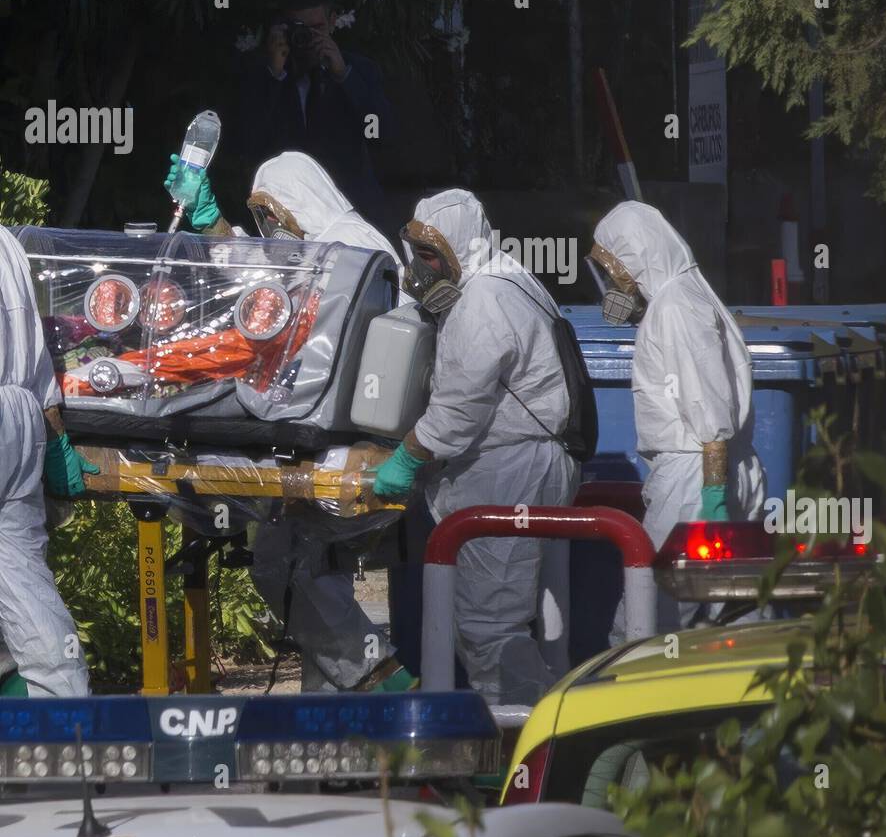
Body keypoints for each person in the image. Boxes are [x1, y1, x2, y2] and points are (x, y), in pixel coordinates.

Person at [162, 149, 413, 692]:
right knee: (315, 574)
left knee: (284, 567)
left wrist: (212, 225)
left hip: (354, 447)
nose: (269, 228)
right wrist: (214, 226)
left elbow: (281, 297)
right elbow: (269, 280)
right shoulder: (333, 244)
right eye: (261, 217)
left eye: (272, 214)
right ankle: (333, 738)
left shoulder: (355, 248)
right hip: (339, 438)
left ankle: (383, 677)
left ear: (299, 201)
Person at [371, 190, 580, 705]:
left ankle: (514, 741)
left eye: (430, 255)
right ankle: (545, 727)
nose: (421, 269)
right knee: (532, 618)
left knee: (489, 624)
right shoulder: (509, 275)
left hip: (510, 473)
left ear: (458, 247)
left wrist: (407, 456)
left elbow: (457, 408)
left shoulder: (482, 301)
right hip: (533, 464)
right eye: (416, 252)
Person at [588, 202, 767, 636]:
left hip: (695, 477)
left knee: (646, 622)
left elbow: (705, 402)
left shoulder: (674, 305)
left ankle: (624, 701)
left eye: (613, 270)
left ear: (633, 259)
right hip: (715, 471)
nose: (612, 283)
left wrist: (711, 494)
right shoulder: (687, 295)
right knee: (733, 616)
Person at [0, 226, 93, 697]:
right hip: (20, 421)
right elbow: (38, 353)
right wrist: (55, 442)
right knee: (20, 578)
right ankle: (63, 710)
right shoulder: (7, 243)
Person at [233, 0, 397, 225]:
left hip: (353, 211)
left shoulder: (359, 70)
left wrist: (344, 76)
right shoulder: (263, 75)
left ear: (332, 21)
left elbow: (383, 135)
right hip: (287, 213)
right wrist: (274, 76)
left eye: (317, 27)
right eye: (298, 29)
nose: (308, 37)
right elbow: (246, 145)